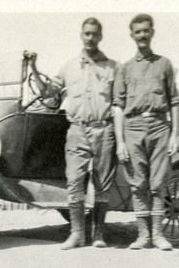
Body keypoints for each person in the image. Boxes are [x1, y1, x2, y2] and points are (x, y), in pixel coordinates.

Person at [29, 17, 118, 250]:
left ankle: (98, 234)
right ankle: (77, 234)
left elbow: (120, 103)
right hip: (77, 130)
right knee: (74, 181)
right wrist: (34, 68)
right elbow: (49, 93)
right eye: (86, 34)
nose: (90, 38)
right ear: (81, 35)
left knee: (102, 185)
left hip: (103, 129)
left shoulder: (112, 67)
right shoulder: (69, 67)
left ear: (100, 37)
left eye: (94, 34)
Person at [113, 13, 179, 250]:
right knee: (138, 183)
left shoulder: (164, 64)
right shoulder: (125, 68)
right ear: (132, 35)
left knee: (158, 183)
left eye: (146, 30)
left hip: (159, 126)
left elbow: (174, 101)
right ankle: (143, 236)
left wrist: (174, 134)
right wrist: (120, 142)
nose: (142, 35)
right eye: (137, 31)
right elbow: (118, 107)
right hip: (133, 128)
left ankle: (158, 235)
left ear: (152, 32)